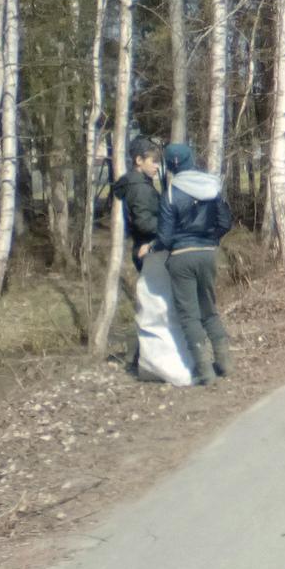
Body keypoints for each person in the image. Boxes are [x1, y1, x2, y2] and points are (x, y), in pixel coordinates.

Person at [112, 137, 193, 386]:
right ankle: (146, 359)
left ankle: (144, 357)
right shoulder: (139, 187)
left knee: (155, 305)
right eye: (153, 161)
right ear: (138, 161)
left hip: (151, 248)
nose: (157, 166)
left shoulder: (142, 183)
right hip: (147, 251)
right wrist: (169, 228)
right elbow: (143, 222)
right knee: (157, 306)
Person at [158, 143, 234, 386]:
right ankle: (225, 364)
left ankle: (205, 372)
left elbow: (164, 237)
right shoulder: (211, 186)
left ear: (169, 166)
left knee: (190, 316)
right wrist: (210, 239)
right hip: (207, 254)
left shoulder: (170, 192)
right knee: (209, 309)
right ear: (192, 159)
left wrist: (152, 248)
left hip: (182, 256)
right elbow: (225, 221)